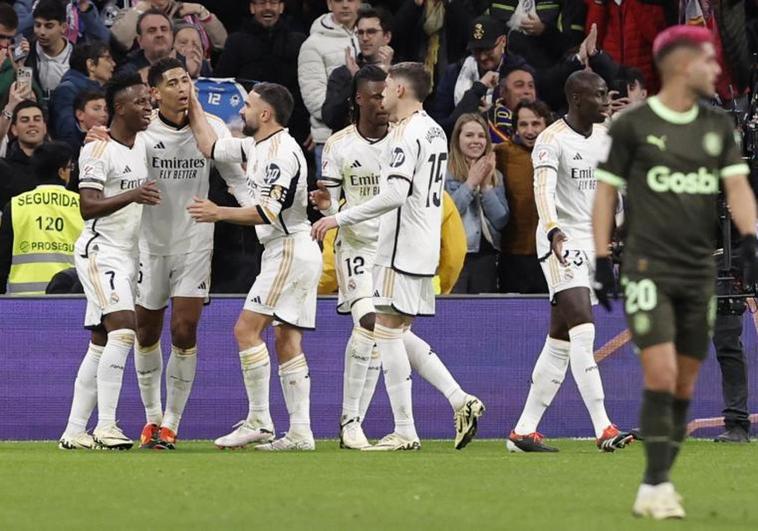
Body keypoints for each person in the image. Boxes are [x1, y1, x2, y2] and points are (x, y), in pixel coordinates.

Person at [592, 26, 757, 519]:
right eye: (707, 61)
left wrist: (750, 237)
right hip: (648, 265)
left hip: (700, 268)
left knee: (682, 377)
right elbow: (606, 195)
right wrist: (602, 258)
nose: (715, 69)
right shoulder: (632, 128)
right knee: (663, 370)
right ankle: (658, 484)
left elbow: (738, 189)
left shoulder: (717, 130)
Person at [312, 62, 485, 452]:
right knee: (395, 331)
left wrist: (335, 218)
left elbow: (393, 195)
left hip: (396, 245)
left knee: (385, 335)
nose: (384, 92)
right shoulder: (435, 130)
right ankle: (459, 400)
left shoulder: (403, 136)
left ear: (402, 91)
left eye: (388, 85)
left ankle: (404, 429)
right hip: (425, 244)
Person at [186, 82, 320, 452]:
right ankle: (300, 432)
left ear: (265, 114)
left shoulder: (281, 153)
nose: (241, 111)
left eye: (247, 105)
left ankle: (259, 420)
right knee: (287, 339)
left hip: (289, 247)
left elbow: (267, 212)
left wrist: (218, 213)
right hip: (291, 248)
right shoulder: (255, 145)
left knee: (246, 330)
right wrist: (192, 102)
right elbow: (210, 146)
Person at [506, 71, 634, 453]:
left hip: (594, 243)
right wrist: (553, 231)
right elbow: (541, 191)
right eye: (598, 95)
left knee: (560, 339)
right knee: (584, 329)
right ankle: (604, 426)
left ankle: (523, 431)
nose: (606, 101)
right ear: (577, 99)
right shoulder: (551, 140)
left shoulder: (608, 136)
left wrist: (624, 234)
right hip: (560, 242)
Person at [132, 58, 251, 450]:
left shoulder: (212, 127)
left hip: (196, 239)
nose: (182, 88)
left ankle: (170, 423)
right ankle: (150, 417)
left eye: (186, 80)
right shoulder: (143, 130)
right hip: (149, 243)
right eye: (172, 82)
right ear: (155, 92)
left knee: (184, 330)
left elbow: (236, 178)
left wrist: (258, 210)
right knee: (146, 331)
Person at [59, 72, 157, 451]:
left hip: (126, 254)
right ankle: (107, 426)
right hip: (100, 252)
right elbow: (87, 206)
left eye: (149, 102)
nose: (147, 108)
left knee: (100, 342)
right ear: (119, 108)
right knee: (124, 328)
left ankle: (74, 431)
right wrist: (134, 194)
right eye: (139, 103)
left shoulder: (142, 143)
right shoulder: (98, 149)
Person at [213, 0, 308, 144]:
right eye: (262, 3)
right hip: (245, 130)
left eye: (273, 3)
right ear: (252, 7)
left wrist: (312, 126)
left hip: (293, 128)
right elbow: (221, 85)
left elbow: (307, 88)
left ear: (281, 7)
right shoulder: (236, 42)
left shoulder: (299, 41)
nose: (268, 8)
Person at [0, 142, 83, 295]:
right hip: (70, 298)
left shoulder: (15, 205)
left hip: (22, 302)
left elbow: (2, 262)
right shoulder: (81, 205)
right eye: (70, 167)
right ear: (61, 172)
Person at [445, 113, 508, 293]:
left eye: (481, 136)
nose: (476, 140)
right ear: (457, 138)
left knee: (483, 315)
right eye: (469, 135)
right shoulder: (443, 172)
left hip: (486, 257)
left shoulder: (496, 174)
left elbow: (501, 221)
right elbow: (447, 214)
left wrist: (486, 186)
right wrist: (471, 184)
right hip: (455, 255)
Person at [495, 100, 551, 294]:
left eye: (536, 124)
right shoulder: (501, 153)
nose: (530, 131)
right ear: (515, 128)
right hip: (513, 255)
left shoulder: (561, 152)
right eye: (523, 124)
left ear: (547, 125)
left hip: (552, 252)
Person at [297, 0, 360, 173]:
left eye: (351, 0)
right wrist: (346, 119)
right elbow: (314, 99)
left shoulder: (368, 35)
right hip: (330, 140)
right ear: (329, 4)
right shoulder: (313, 44)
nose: (345, 5)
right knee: (330, 199)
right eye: (339, 0)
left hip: (368, 138)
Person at [321, 6, 393, 132]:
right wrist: (355, 82)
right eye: (360, 33)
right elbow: (330, 118)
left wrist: (387, 76)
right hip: (350, 146)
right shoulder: (343, 74)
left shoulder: (400, 73)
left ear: (387, 37)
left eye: (371, 32)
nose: (365, 38)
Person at [49, 41, 114, 147]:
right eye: (108, 58)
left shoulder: (102, 91)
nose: (113, 64)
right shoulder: (66, 91)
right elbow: (67, 133)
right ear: (91, 65)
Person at [111, 0, 227, 53]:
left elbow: (223, 44)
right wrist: (139, 10)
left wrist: (202, 12)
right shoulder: (130, 13)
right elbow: (120, 42)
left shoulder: (188, 11)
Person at [0, 100, 48, 207]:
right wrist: (10, 107)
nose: (32, 124)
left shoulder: (60, 163)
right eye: (25, 120)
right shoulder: (4, 168)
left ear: (45, 127)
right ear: (14, 129)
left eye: (37, 119)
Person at [26, 0, 74, 100]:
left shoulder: (78, 57)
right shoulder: (25, 53)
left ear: (64, 27)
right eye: (38, 25)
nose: (42, 32)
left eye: (49, 26)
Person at [118, 10, 175, 80]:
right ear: (140, 40)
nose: (159, 34)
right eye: (152, 31)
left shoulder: (186, 62)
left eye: (164, 29)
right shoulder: (129, 74)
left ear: (172, 36)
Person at [488, 66, 536, 143]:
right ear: (503, 92)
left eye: (531, 86)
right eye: (519, 85)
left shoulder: (549, 120)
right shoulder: (487, 123)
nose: (527, 91)